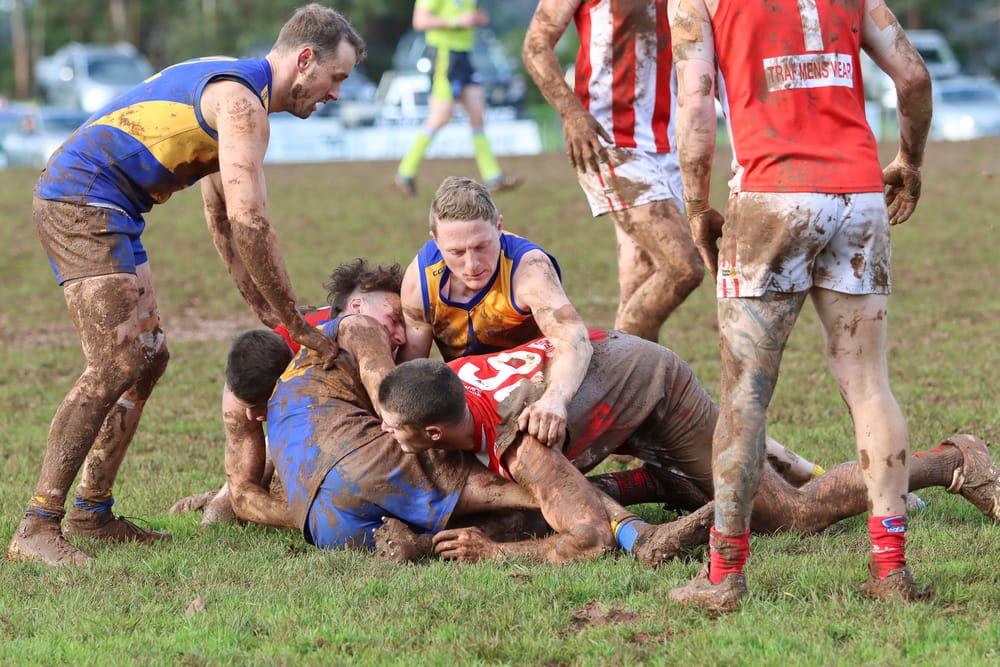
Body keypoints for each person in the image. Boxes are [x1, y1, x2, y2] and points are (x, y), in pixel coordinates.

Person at [9, 4, 362, 567]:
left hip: (109, 206)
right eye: (335, 77)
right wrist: (295, 322)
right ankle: (37, 524)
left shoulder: (235, 86)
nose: (336, 94)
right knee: (116, 363)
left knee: (148, 358)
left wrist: (265, 308)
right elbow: (251, 223)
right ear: (304, 60)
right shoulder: (243, 106)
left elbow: (220, 216)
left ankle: (91, 512)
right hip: (82, 198)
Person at [666, 0, 934, 608]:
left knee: (744, 397)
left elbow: (697, 101)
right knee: (870, 385)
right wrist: (910, 160)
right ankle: (890, 570)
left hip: (770, 197)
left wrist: (695, 203)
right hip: (859, 197)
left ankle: (723, 576)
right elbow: (913, 76)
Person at [378, 332, 998, 575]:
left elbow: (588, 540)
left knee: (790, 515)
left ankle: (954, 459)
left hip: (656, 392)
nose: (388, 435)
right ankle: (673, 484)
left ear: (433, 433)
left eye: (396, 429)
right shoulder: (449, 382)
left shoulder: (518, 444)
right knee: (556, 498)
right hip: (609, 382)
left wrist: (496, 554)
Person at [522, 0, 703, 342]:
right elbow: (536, 44)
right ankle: (620, 365)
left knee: (641, 282)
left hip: (668, 144)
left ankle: (622, 373)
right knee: (683, 267)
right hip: (608, 140)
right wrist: (571, 112)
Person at [178, 259, 405, 528]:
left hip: (344, 428)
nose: (401, 336)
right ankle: (217, 499)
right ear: (356, 305)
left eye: (404, 323)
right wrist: (315, 517)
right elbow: (241, 493)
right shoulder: (253, 382)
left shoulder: (378, 339)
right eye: (394, 321)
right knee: (222, 512)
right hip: (307, 423)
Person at [397, 175, 594, 448]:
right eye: (456, 252)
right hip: (471, 396)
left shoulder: (528, 269)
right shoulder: (420, 282)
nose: (472, 264)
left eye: (481, 246)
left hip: (535, 387)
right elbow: (408, 373)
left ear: (499, 227)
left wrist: (554, 400)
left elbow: (575, 340)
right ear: (436, 241)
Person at [393, 0, 520, 197]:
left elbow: (470, 13)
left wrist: (477, 17)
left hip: (464, 57)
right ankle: (405, 173)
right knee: (441, 117)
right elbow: (420, 21)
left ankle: (494, 177)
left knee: (477, 114)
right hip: (444, 55)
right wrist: (457, 21)